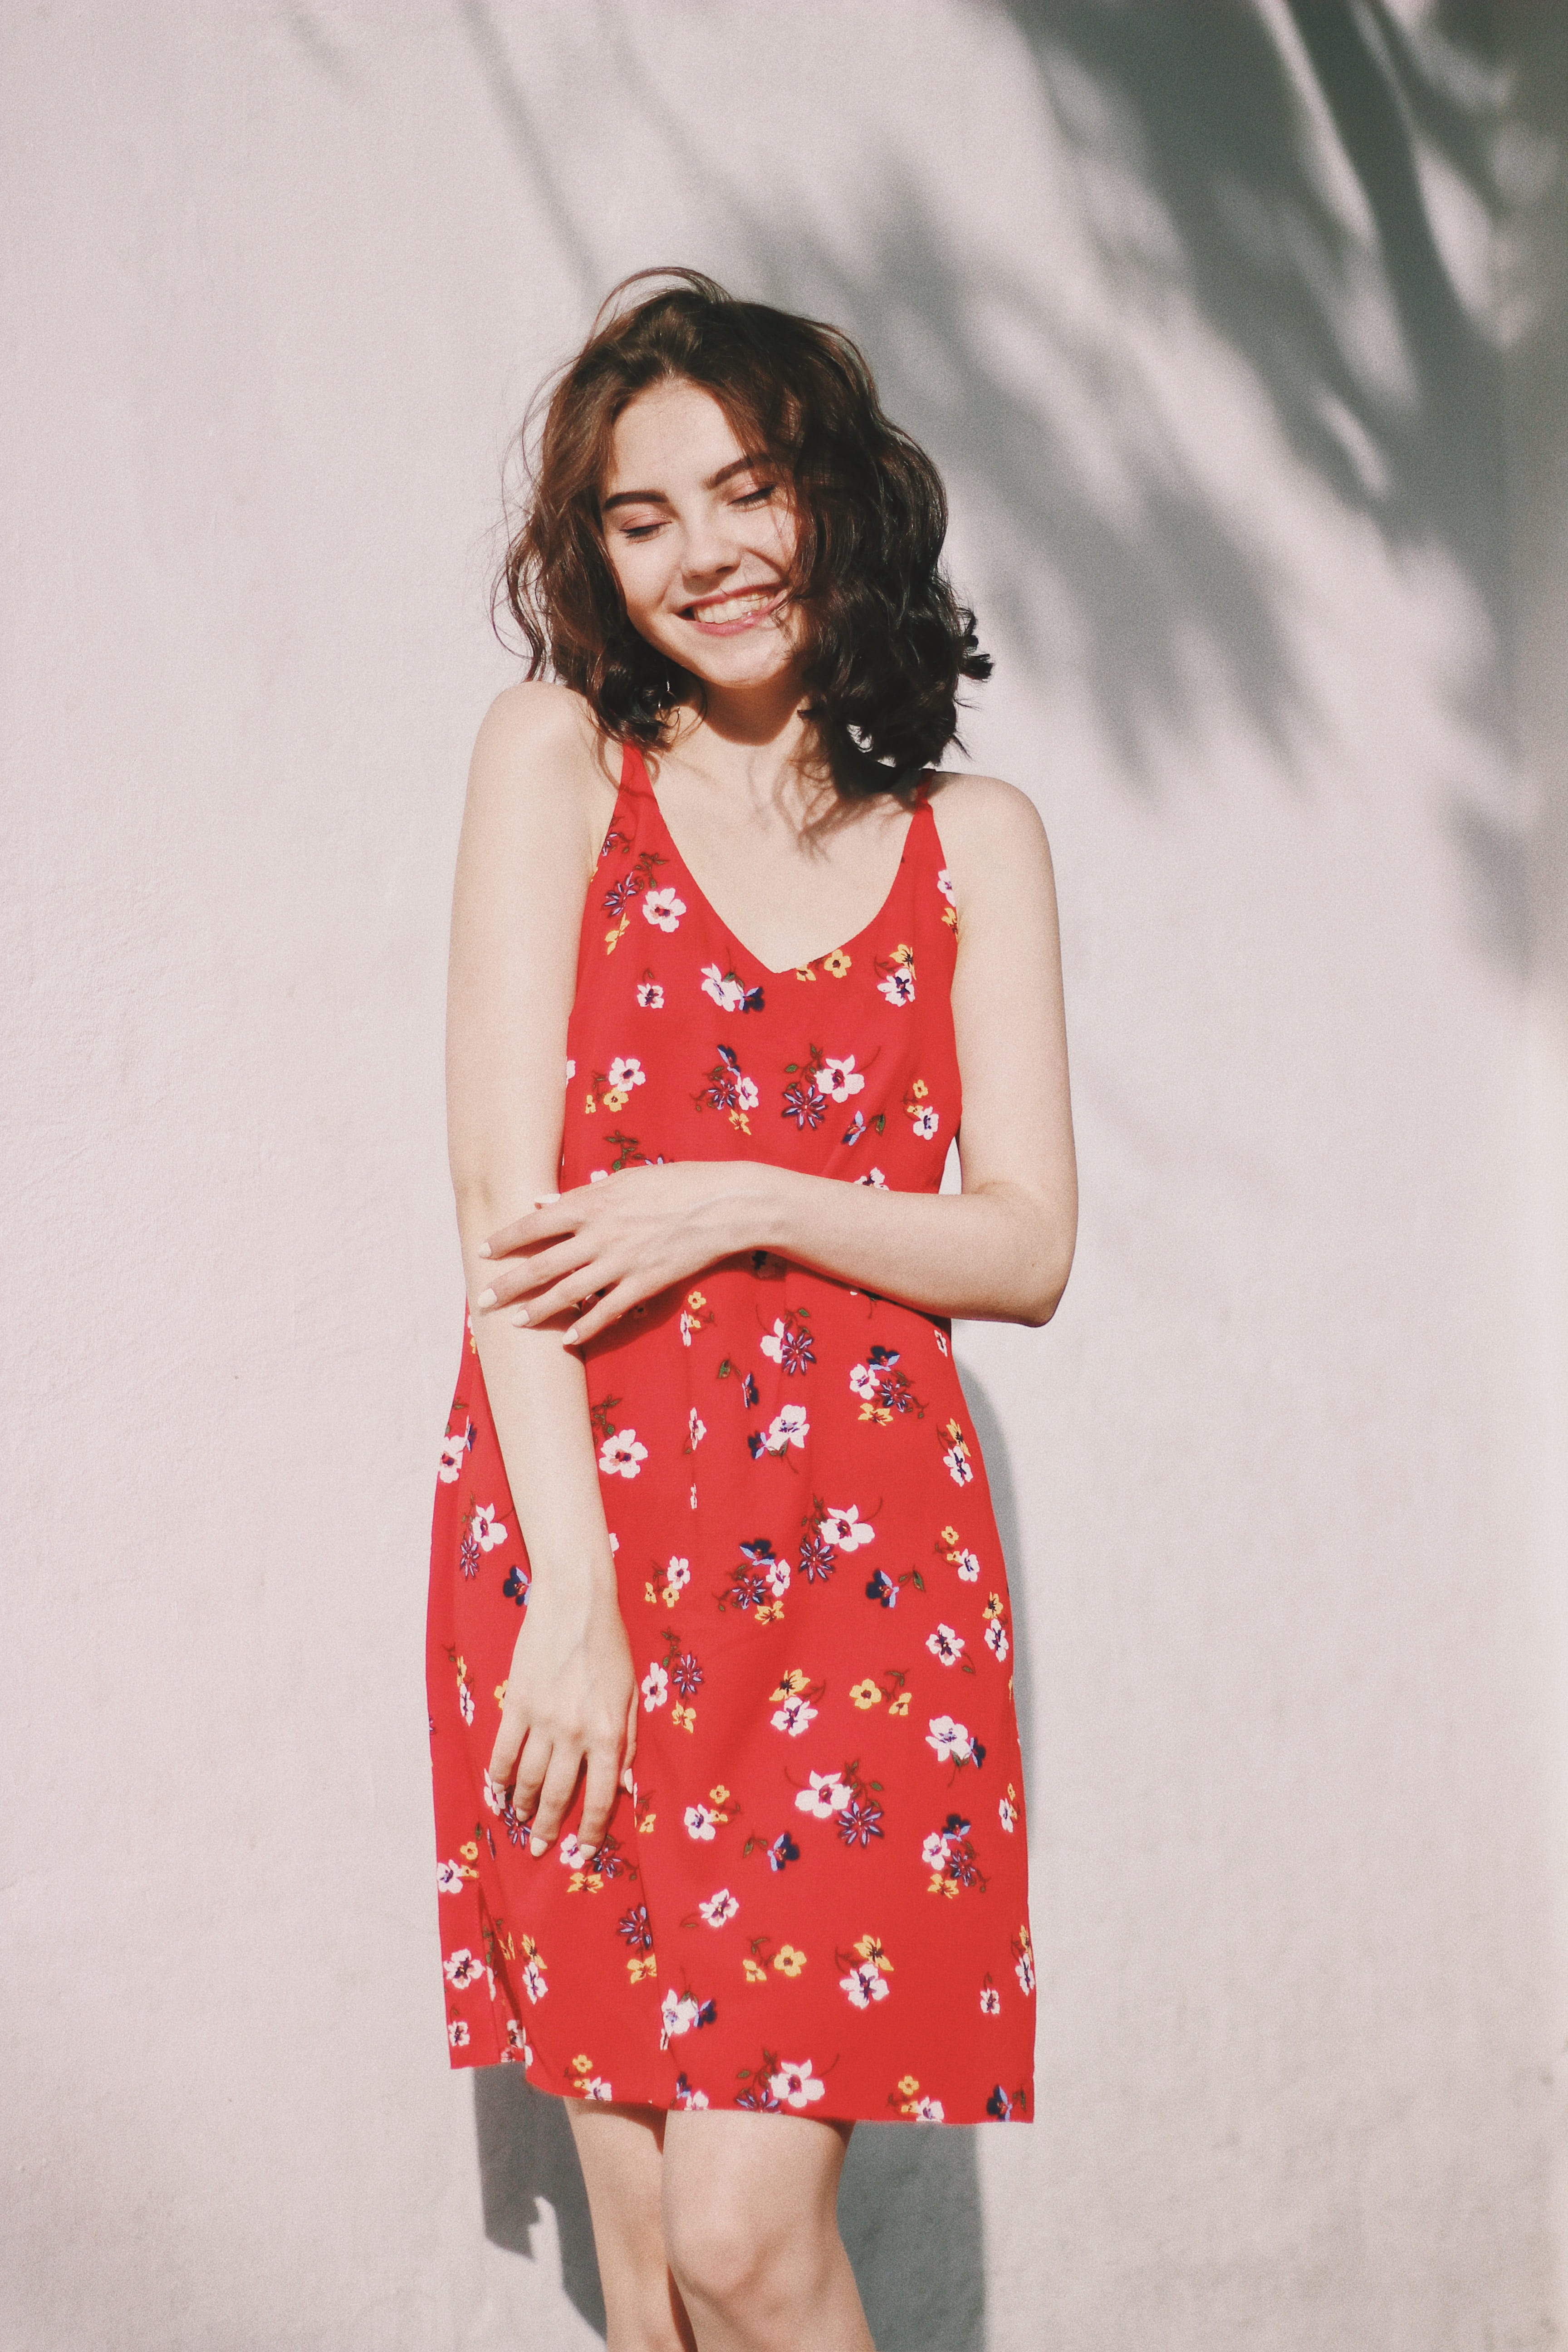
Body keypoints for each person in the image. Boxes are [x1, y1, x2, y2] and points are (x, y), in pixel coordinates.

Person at [428, 269, 1077, 2352]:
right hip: (580, 1549)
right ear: (597, 562)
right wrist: (578, 1604)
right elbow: (502, 1214)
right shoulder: (560, 764)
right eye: (643, 517)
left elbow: (1027, 1245)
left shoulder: (974, 842)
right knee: (646, 2264)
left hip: (866, 1587)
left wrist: (734, 1194)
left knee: (747, 2242)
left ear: (837, 503)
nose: (705, 549)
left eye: (750, 486)